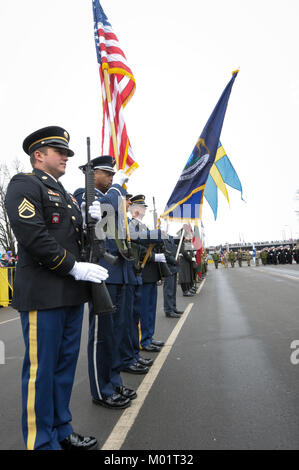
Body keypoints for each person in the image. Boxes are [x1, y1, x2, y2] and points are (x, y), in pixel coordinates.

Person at [4, 126, 109, 450]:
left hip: (70, 294)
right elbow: (34, 237)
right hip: (44, 294)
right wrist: (74, 267)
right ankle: (41, 442)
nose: (65, 157)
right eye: (59, 151)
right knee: (41, 373)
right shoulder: (25, 184)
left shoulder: (64, 194)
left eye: (66, 152)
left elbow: (79, 240)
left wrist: (95, 220)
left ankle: (62, 430)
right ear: (39, 155)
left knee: (63, 369)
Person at [74, 156, 140, 409]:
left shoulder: (113, 198)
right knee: (102, 336)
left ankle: (112, 380)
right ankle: (101, 389)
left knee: (114, 333)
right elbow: (103, 210)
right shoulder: (82, 194)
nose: (112, 178)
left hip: (117, 271)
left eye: (113, 175)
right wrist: (117, 188)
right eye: (107, 174)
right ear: (91, 174)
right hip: (101, 273)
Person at [129, 195, 166, 352]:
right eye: (141, 207)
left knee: (150, 309)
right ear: (134, 209)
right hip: (141, 271)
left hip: (150, 273)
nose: (144, 210)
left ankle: (149, 337)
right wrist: (152, 256)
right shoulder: (131, 226)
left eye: (144, 207)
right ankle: (142, 340)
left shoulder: (143, 227)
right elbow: (135, 247)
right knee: (143, 310)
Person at [162, 234, 182, 318]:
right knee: (168, 290)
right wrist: (173, 260)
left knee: (173, 290)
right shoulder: (162, 239)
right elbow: (165, 253)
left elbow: (179, 240)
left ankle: (173, 308)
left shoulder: (170, 238)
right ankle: (168, 310)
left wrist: (184, 234)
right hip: (168, 268)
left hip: (174, 267)